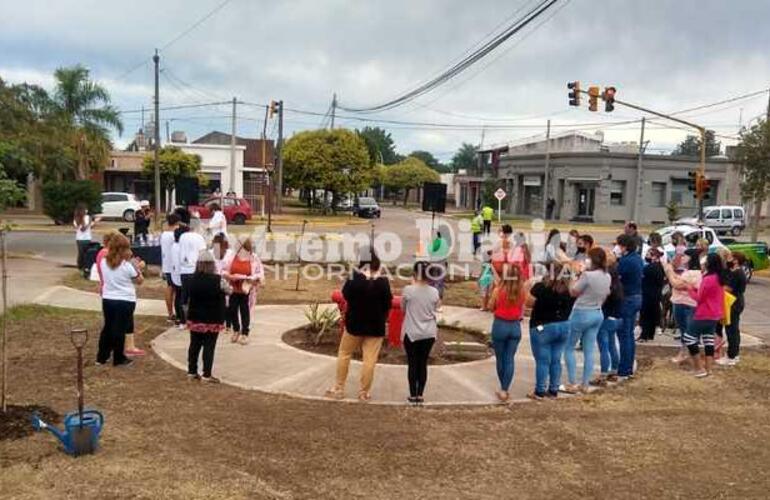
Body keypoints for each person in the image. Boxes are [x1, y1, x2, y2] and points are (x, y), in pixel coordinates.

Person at [326, 246, 393, 402]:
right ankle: (364, 392)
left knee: (344, 354)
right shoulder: (383, 282)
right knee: (369, 359)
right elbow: (387, 303)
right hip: (376, 326)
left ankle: (339, 387)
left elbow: (345, 296)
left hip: (354, 324)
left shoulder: (354, 279)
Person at [564, 247, 610, 393]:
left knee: (569, 347)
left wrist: (573, 278)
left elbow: (573, 292)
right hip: (597, 312)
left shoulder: (588, 275)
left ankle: (572, 382)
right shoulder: (607, 276)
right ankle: (585, 384)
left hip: (582, 312)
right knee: (589, 350)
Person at [96, 233, 144, 366]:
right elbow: (139, 281)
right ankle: (119, 357)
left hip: (108, 298)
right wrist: (138, 268)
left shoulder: (104, 262)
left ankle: (101, 356)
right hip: (125, 300)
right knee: (120, 329)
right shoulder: (126, 266)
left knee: (108, 327)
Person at [527, 262, 573, 399]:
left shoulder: (541, 287)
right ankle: (553, 389)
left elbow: (528, 302)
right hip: (564, 325)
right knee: (556, 359)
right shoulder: (570, 291)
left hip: (542, 326)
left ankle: (540, 390)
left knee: (542, 360)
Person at [401, 261, 441, 404]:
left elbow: (403, 309)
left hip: (412, 332)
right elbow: (437, 308)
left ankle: (412, 395)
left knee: (412, 363)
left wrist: (413, 285)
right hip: (429, 333)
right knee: (423, 363)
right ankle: (420, 394)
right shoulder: (435, 292)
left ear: (414, 273)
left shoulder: (408, 290)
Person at [487, 263, 527, 402]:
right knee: (510, 359)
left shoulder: (499, 290)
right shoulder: (522, 291)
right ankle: (505, 389)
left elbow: (490, 306)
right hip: (515, 326)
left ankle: (502, 389)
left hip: (500, 325)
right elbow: (523, 306)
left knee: (500, 358)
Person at [186, 250, 227, 383]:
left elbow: (186, 298)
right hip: (212, 318)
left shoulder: (191, 279)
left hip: (195, 318)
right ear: (212, 265)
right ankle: (206, 374)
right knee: (209, 346)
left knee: (194, 345)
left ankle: (191, 372)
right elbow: (229, 290)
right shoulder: (218, 280)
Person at [684, 253, 725, 378]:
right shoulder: (719, 277)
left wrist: (689, 289)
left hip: (704, 313)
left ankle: (699, 368)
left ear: (708, 264)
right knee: (708, 340)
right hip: (715, 314)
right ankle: (709, 369)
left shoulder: (708, 279)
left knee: (689, 338)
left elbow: (699, 298)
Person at [223, 235, 264, 345]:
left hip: (246, 290)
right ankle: (236, 330)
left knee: (245, 311)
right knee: (232, 310)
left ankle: (245, 333)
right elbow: (223, 270)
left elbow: (260, 273)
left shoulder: (254, 258)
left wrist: (251, 279)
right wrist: (230, 277)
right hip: (233, 288)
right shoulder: (232, 256)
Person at [664, 252, 702, 364]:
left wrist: (670, 272)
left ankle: (685, 353)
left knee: (685, 330)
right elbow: (680, 281)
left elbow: (676, 284)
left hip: (684, 304)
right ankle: (688, 353)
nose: (682, 259)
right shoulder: (697, 273)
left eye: (684, 257)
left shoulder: (691, 273)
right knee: (688, 330)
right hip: (690, 304)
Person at [616, 234, 644, 379]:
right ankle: (628, 366)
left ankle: (624, 367)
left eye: (619, 245)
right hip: (637, 296)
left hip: (627, 298)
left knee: (624, 334)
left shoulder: (625, 261)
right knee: (629, 334)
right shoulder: (637, 259)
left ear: (624, 246)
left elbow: (617, 277)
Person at [595, 256, 623, 384]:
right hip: (617, 319)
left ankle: (603, 373)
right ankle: (614, 370)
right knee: (612, 345)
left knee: (603, 347)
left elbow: (601, 302)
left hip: (605, 319)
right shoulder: (619, 287)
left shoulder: (607, 289)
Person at [716, 251, 747, 366]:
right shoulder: (732, 271)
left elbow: (727, 288)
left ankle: (731, 356)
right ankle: (735, 354)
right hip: (732, 302)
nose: (727, 259)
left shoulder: (738, 273)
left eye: (729, 257)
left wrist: (717, 288)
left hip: (734, 303)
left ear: (735, 260)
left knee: (731, 330)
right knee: (733, 329)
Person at [178, 221, 207, 327]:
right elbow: (202, 254)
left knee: (184, 296)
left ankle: (183, 321)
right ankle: (195, 320)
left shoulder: (182, 237)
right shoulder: (199, 238)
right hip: (195, 270)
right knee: (196, 296)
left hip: (183, 270)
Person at [638, 247, 666, 341]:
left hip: (648, 294)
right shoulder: (660, 266)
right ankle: (650, 334)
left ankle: (644, 335)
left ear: (654, 256)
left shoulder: (650, 268)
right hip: (656, 293)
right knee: (653, 314)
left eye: (648, 255)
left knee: (646, 315)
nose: (646, 257)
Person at [160, 213, 181, 323]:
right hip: (174, 266)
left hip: (166, 265)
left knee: (170, 288)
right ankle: (176, 313)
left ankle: (170, 313)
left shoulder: (164, 234)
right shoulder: (173, 235)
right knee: (175, 290)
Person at [170, 226, 188, 327]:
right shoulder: (180, 247)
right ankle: (182, 319)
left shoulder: (174, 245)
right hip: (180, 274)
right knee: (182, 297)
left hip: (175, 274)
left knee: (178, 296)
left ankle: (179, 317)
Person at [73, 204, 96, 274]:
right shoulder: (80, 218)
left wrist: (94, 223)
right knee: (82, 254)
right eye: (85, 209)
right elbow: (83, 229)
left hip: (82, 238)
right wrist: (89, 223)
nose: (86, 210)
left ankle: (83, 266)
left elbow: (90, 227)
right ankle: (81, 266)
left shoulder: (77, 218)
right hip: (84, 239)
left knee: (84, 253)